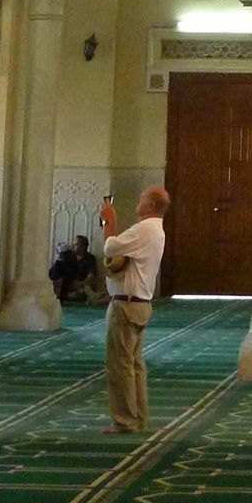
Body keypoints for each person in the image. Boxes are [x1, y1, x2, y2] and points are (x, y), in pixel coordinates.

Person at [99, 185, 168, 432]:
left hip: (126, 305)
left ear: (150, 205)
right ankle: (137, 417)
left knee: (120, 365)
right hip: (140, 304)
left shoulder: (144, 230)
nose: (138, 202)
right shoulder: (156, 231)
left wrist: (110, 221)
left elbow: (109, 248)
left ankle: (125, 420)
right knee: (135, 365)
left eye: (141, 199)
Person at [50, 234, 104, 306]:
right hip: (69, 285)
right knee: (59, 265)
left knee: (84, 290)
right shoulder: (69, 258)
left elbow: (91, 275)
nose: (73, 247)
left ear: (83, 247)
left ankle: (90, 296)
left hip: (83, 285)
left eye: (75, 245)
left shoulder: (89, 258)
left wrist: (81, 283)